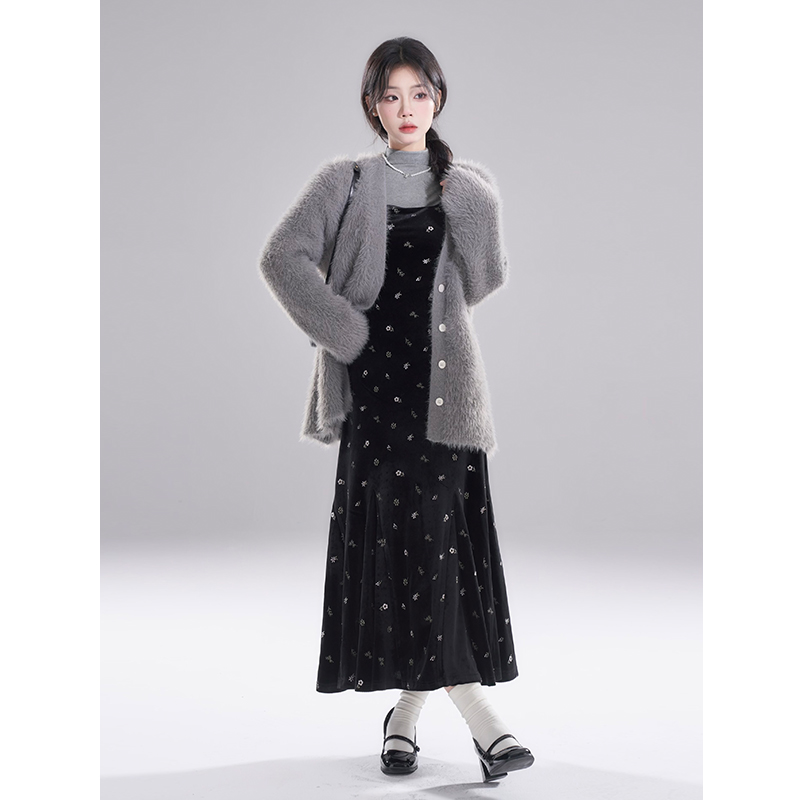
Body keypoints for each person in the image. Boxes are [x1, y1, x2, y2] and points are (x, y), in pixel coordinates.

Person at [258, 36, 534, 783]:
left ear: (437, 99)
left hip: (445, 399)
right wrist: (349, 333)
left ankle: (405, 718)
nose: (406, 108)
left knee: (436, 550)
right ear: (372, 104)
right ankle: (484, 725)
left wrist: (471, 201)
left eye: (419, 93)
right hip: (376, 399)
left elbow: (484, 280)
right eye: (390, 95)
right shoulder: (343, 182)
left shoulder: (467, 187)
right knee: (405, 553)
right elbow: (281, 258)